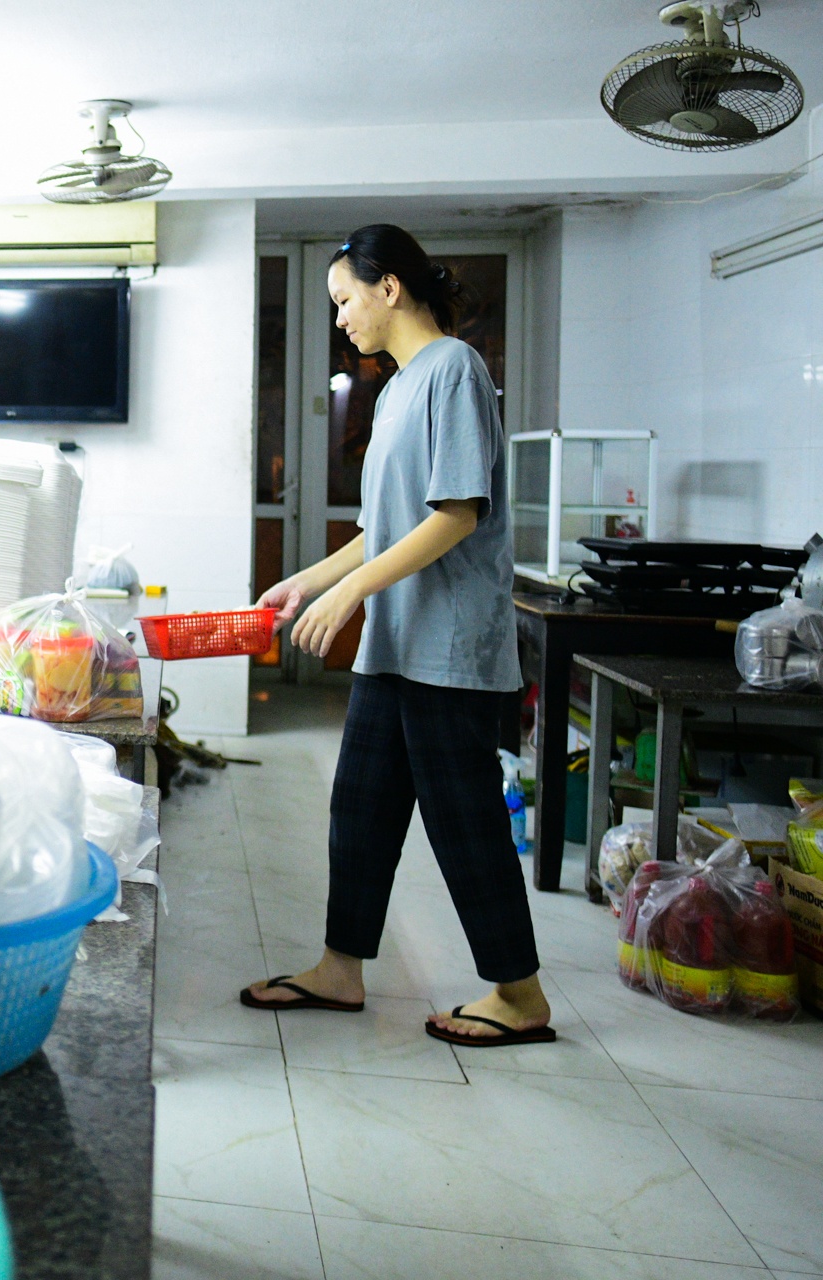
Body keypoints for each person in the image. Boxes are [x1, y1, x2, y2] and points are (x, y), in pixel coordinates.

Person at [240, 224, 552, 1046]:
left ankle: (520, 998)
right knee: (363, 808)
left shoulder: (453, 370)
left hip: (447, 650)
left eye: (345, 300)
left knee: (465, 823)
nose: (340, 318)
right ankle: (341, 970)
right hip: (397, 645)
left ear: (390, 288)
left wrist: (349, 593)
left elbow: (454, 516)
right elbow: (388, 525)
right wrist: (312, 577)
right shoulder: (398, 388)